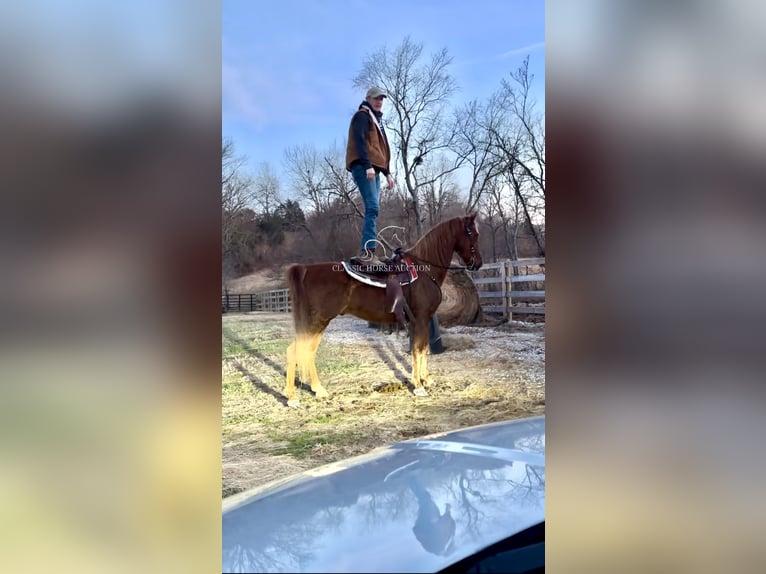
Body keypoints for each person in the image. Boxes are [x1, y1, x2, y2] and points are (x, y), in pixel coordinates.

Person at [345, 86, 396, 266]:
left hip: (374, 170)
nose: (379, 101)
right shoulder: (362, 116)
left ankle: (370, 252)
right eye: (376, 98)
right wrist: (367, 166)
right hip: (363, 167)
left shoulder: (377, 121)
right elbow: (360, 141)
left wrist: (388, 173)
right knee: (372, 207)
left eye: (381, 99)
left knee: (374, 210)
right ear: (368, 98)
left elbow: (379, 150)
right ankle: (367, 253)